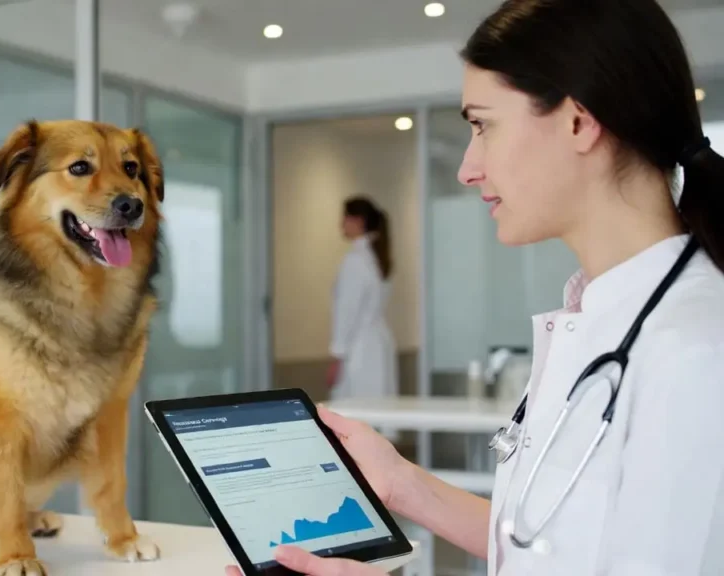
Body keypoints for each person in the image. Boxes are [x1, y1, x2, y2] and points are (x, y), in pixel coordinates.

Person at [228, 0, 724, 574]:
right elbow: (553, 545)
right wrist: (401, 483)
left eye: (482, 125)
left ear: (578, 121)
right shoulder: (599, 316)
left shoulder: (697, 353)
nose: (467, 167)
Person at [327, 197, 399, 416]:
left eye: (345, 218)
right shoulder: (377, 258)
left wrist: (336, 356)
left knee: (353, 417)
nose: (341, 224)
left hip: (359, 350)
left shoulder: (355, 261)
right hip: (378, 344)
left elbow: (346, 312)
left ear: (358, 221)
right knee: (375, 416)